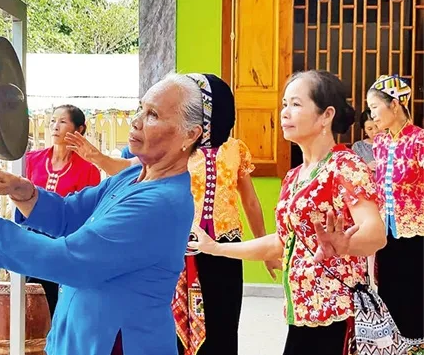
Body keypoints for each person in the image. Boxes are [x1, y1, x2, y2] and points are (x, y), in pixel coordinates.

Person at [0, 72, 214, 355]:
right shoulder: (135, 175)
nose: (135, 121)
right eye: (140, 108)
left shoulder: (162, 203)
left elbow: (71, 261)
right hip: (80, 336)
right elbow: (68, 214)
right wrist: (19, 188)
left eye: (153, 115)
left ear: (190, 134)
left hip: (116, 343)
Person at [65, 74, 280, 355]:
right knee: (175, 329)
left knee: (223, 326)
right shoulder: (177, 147)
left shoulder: (235, 149)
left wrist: (264, 248)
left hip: (225, 249)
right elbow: (130, 168)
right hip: (180, 248)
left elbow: (250, 201)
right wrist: (97, 158)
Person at [187, 70, 387, 355]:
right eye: (283, 104)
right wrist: (216, 248)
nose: (284, 113)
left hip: (336, 312)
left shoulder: (345, 167)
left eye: (295, 104)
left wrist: (346, 244)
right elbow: (282, 242)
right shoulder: (294, 177)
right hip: (301, 312)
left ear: (326, 115)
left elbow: (375, 233)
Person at [24, 104, 101, 317]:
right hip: (30, 244)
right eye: (52, 121)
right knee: (29, 305)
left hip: (64, 248)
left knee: (58, 307)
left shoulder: (89, 170)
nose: (55, 126)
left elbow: (87, 214)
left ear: (80, 130)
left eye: (62, 121)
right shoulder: (32, 160)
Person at [367, 74, 424, 339]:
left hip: (416, 234)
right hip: (386, 234)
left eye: (375, 108)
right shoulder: (379, 142)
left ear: (394, 105)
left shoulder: (419, 141)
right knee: (388, 294)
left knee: (415, 294)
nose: (372, 116)